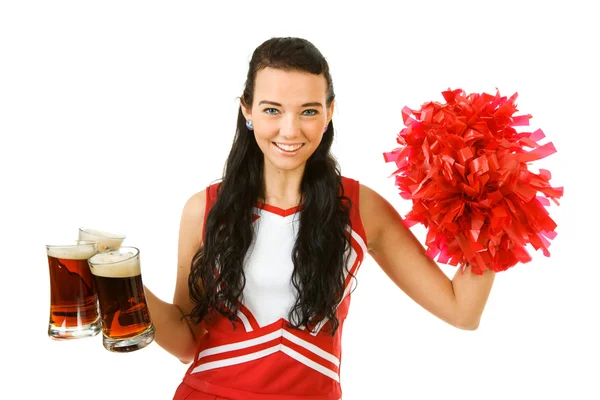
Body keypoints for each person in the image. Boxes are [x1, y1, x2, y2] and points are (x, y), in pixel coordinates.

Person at [143, 36, 495, 400]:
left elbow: (461, 311)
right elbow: (186, 342)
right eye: (272, 110)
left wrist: (490, 204)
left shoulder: (360, 208)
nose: (290, 130)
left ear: (329, 112)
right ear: (247, 110)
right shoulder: (204, 209)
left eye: (308, 111)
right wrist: (121, 284)